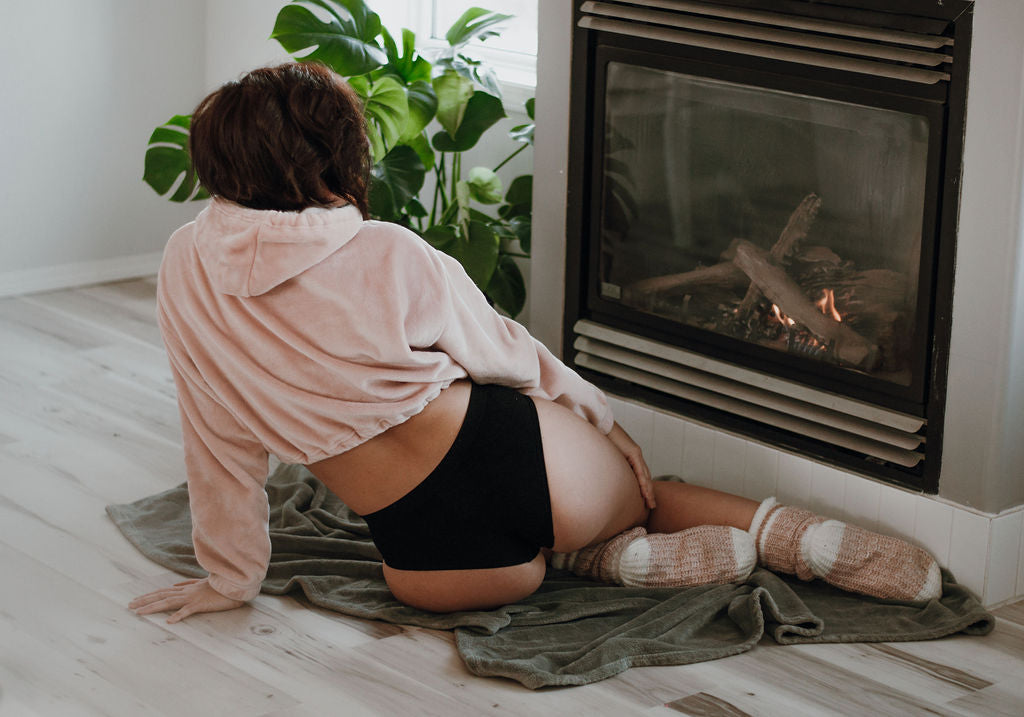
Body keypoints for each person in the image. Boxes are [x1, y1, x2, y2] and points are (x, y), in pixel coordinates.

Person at [130, 63, 941, 624]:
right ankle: (810, 544)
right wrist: (604, 423)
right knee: (651, 491)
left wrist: (231, 576)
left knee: (538, 547)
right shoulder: (386, 253)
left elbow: (215, 435)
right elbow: (509, 355)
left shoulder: (183, 266)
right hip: (520, 466)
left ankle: (604, 562)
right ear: (332, 161)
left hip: (429, 566)